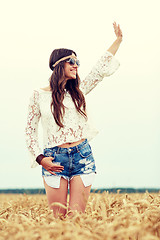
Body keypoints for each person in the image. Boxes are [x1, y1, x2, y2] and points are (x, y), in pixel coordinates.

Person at [25, 22, 123, 218]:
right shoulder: (38, 95)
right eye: (71, 61)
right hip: (54, 158)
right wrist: (40, 159)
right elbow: (29, 131)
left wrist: (118, 40)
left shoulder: (79, 92)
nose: (76, 65)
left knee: (77, 220)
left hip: (82, 156)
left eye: (78, 61)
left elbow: (99, 69)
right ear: (57, 65)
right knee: (58, 220)